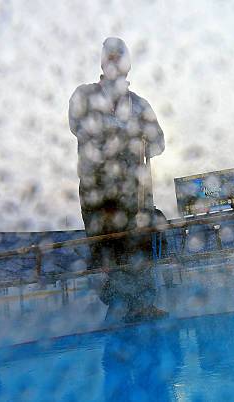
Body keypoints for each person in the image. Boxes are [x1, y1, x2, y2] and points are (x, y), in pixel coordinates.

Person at [69, 37, 167, 321]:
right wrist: (127, 133)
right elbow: (78, 125)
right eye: (109, 56)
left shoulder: (140, 103)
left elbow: (159, 142)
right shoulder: (84, 94)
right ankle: (118, 308)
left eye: (119, 56)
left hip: (134, 194)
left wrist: (144, 137)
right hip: (98, 193)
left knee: (139, 248)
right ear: (102, 61)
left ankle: (143, 306)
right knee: (107, 251)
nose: (114, 61)